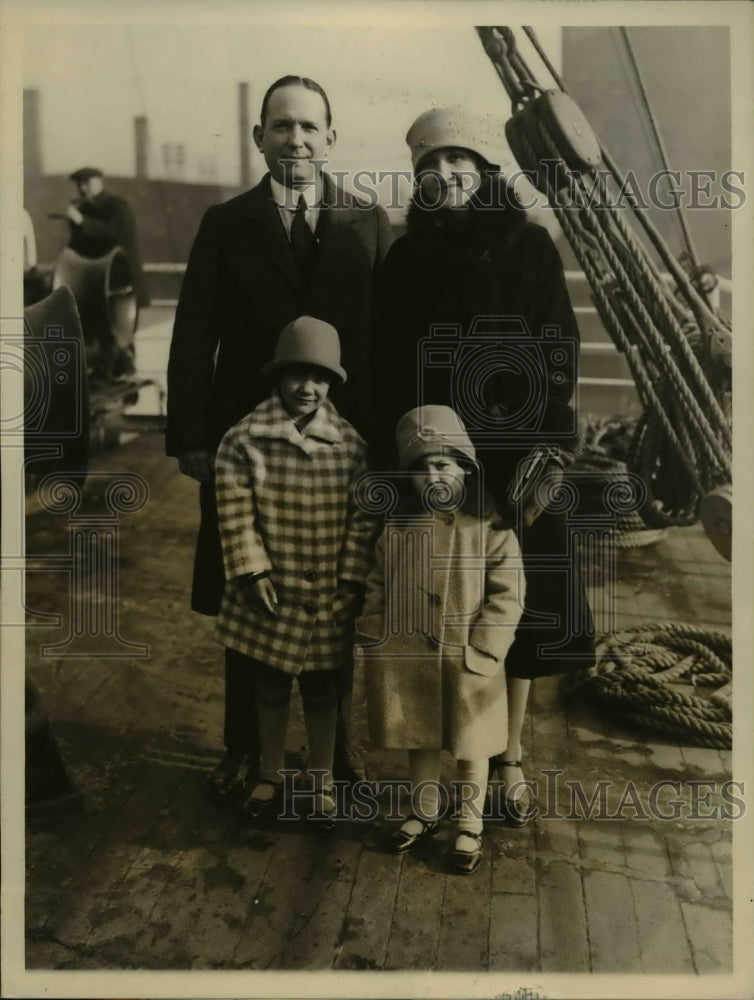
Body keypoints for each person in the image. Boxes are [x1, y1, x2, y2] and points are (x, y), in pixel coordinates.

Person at [166, 75, 392, 800]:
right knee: (247, 588)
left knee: (339, 594)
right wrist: (191, 436)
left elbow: (387, 340)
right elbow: (193, 334)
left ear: (332, 138)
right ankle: (242, 748)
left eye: (310, 127)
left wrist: (387, 444)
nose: (296, 139)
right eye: (281, 126)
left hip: (340, 447)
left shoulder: (367, 223)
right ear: (259, 136)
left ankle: (341, 749)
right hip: (245, 446)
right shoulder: (226, 224)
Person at [372, 107, 596, 825]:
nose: (444, 175)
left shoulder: (527, 246)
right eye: (429, 166)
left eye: (458, 161)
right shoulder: (405, 259)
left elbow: (559, 347)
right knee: (449, 612)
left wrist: (546, 447)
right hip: (435, 464)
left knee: (522, 615)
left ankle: (513, 754)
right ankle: (446, 762)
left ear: (485, 169)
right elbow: (388, 369)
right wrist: (401, 459)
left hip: (517, 457)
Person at [214, 317, 375, 829]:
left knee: (324, 686)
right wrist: (251, 570)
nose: (308, 388)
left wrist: (351, 578)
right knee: (269, 681)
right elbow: (234, 514)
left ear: (332, 384)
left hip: (327, 590)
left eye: (320, 378)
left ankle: (323, 777)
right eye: (297, 375)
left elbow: (363, 518)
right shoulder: (245, 440)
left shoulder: (350, 446)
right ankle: (270, 771)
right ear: (278, 377)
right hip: (271, 589)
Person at [357, 406, 524, 873]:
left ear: (465, 470)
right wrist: (373, 626)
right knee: (420, 736)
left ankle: (470, 823)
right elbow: (377, 580)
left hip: (469, 657)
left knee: (473, 745)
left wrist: (486, 649)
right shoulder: (399, 526)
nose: (433, 475)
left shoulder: (490, 528)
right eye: (422, 467)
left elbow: (508, 594)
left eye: (444, 464)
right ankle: (424, 811)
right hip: (409, 653)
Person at [64, 167, 150, 307]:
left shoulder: (117, 205)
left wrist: (82, 222)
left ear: (99, 183)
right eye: (79, 184)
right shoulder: (83, 209)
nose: (82, 188)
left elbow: (114, 233)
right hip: (97, 282)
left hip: (122, 279)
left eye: (87, 183)